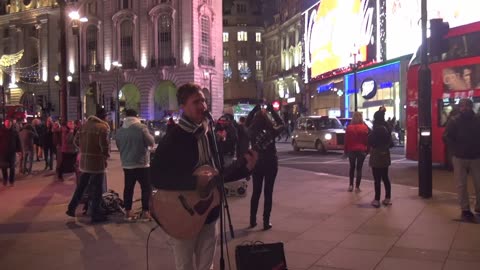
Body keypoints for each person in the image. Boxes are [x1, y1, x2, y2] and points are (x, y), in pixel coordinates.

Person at [150, 83, 257, 270]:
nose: (203, 106)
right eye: (196, 102)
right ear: (182, 106)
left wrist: (246, 168)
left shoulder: (208, 135)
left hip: (209, 214)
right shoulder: (174, 138)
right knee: (185, 266)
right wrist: (193, 182)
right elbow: (156, 176)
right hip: (182, 214)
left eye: (204, 101)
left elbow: (218, 173)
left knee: (207, 266)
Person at [66, 108, 110, 223]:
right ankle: (96, 214)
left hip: (84, 162)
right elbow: (104, 146)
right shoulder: (102, 128)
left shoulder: (84, 126)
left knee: (81, 187)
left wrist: (83, 150)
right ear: (103, 117)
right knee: (97, 189)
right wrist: (106, 156)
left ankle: (71, 208)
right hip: (96, 162)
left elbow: (75, 141)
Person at [246, 103, 284, 230]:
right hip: (271, 163)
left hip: (257, 163)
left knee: (256, 192)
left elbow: (246, 123)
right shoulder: (271, 131)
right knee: (268, 192)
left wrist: (254, 110)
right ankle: (266, 221)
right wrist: (272, 111)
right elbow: (282, 124)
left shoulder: (251, 132)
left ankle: (252, 220)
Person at [443, 98, 480, 220]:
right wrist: (456, 149)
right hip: (460, 157)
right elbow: (446, 137)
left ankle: (478, 207)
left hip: (476, 156)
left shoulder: (477, 120)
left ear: (471, 107)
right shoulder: (454, 121)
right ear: (459, 108)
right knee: (461, 185)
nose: (465, 108)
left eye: (467, 106)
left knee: (478, 183)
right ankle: (465, 209)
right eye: (462, 106)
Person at [115, 109, 155, 221]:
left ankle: (128, 212)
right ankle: (145, 212)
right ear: (136, 116)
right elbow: (151, 142)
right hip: (142, 164)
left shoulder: (120, 131)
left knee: (128, 188)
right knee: (146, 188)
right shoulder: (141, 128)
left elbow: (119, 146)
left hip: (127, 165)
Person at [368, 110, 393, 208]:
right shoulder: (387, 128)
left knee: (377, 179)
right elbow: (391, 144)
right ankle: (387, 198)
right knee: (385, 177)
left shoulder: (375, 129)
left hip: (376, 155)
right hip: (385, 154)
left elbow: (371, 142)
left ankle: (377, 199)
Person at [344, 112, 369, 192]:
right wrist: (367, 150)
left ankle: (351, 185)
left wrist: (345, 151)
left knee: (352, 168)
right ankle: (357, 187)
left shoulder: (349, 128)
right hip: (361, 150)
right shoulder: (364, 127)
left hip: (351, 149)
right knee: (359, 168)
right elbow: (367, 140)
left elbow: (346, 140)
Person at [0, 119, 20, 187]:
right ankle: (5, 180)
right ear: (4, 124)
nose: (8, 124)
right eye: (7, 123)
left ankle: (11, 181)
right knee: (3, 167)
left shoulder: (14, 132)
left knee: (12, 167)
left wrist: (19, 150)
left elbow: (18, 141)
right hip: (3, 152)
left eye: (9, 123)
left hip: (12, 152)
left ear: (11, 124)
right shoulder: (1, 131)